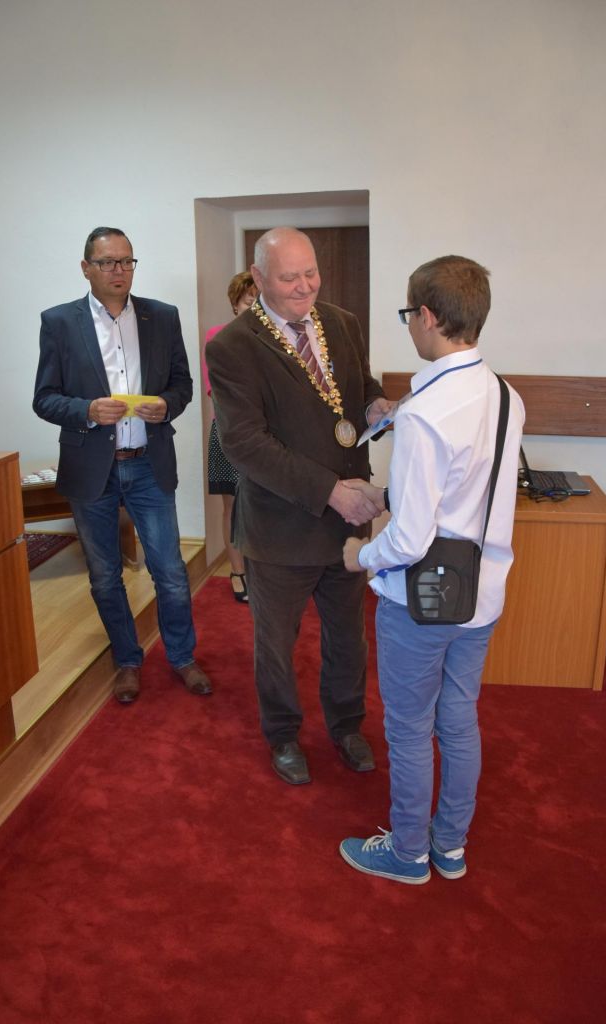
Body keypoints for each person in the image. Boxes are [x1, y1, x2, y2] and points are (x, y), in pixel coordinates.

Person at [339, 255, 525, 883]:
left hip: (419, 603)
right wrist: (389, 490)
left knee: (410, 728)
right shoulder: (505, 395)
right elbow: (466, 489)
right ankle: (450, 847)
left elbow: (411, 539)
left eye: (407, 316)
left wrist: (361, 557)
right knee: (459, 719)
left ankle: (408, 852)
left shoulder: (424, 412)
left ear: (426, 316)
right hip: (482, 592)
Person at [206, 227, 392, 784]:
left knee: (348, 636)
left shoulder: (342, 322)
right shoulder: (232, 346)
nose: (305, 286)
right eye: (290, 277)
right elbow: (245, 444)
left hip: (348, 524)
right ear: (258, 278)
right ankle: (283, 734)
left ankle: (346, 725)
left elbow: (357, 386)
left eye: (311, 273)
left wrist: (375, 403)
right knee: (276, 644)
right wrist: (330, 491)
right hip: (281, 527)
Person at [33, 226, 212, 704]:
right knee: (104, 575)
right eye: (108, 262)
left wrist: (167, 405)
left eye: (127, 261)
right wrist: (87, 410)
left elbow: (183, 384)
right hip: (92, 467)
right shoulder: (59, 322)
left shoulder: (162, 316)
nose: (119, 270)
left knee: (170, 571)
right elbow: (44, 398)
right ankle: (127, 660)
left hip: (149, 463)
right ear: (86, 267)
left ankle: (182, 657)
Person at [201, 271, 257, 603]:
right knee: (233, 505)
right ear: (235, 304)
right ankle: (237, 571)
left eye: (260, 303)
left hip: (267, 435)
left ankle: (263, 570)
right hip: (229, 431)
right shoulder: (217, 336)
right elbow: (215, 390)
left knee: (267, 504)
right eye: (249, 302)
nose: (254, 309)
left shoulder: (274, 338)